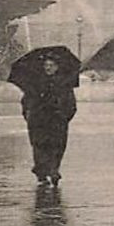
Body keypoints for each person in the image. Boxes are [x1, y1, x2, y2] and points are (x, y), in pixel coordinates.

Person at [21, 57, 76, 185]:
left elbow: (71, 104)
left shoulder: (64, 84)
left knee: (57, 147)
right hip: (38, 121)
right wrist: (29, 116)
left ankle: (54, 170)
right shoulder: (35, 83)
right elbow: (26, 101)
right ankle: (42, 173)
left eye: (51, 65)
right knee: (40, 146)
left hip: (57, 121)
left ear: (57, 67)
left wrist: (64, 117)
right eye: (46, 65)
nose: (48, 68)